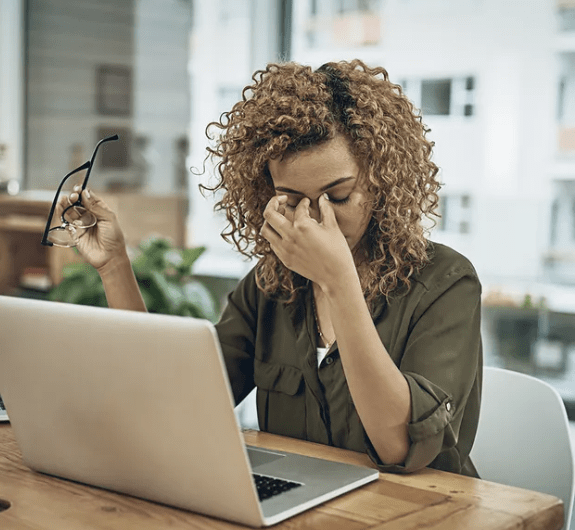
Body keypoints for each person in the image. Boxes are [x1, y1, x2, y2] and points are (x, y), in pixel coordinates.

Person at [60, 59, 482, 477]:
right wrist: (115, 265)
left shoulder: (446, 283)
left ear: (379, 180)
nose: (316, 220)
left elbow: (399, 448)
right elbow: (169, 403)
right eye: (292, 199)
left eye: (338, 197)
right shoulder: (271, 285)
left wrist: (338, 282)